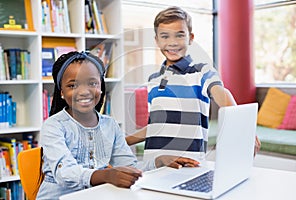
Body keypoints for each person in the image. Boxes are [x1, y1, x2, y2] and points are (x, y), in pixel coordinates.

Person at [36, 51, 199, 199]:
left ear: (101, 87)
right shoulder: (53, 126)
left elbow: (129, 167)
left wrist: (159, 162)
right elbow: (65, 173)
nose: (84, 91)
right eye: (73, 85)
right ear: (62, 92)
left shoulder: (110, 125)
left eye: (92, 83)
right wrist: (106, 175)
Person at [126, 6, 261, 160]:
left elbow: (222, 94)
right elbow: (156, 126)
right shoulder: (153, 80)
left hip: (190, 164)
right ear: (156, 40)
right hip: (154, 164)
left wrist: (244, 128)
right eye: (165, 36)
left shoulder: (202, 71)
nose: (172, 43)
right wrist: (125, 141)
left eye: (179, 35)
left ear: (190, 38)